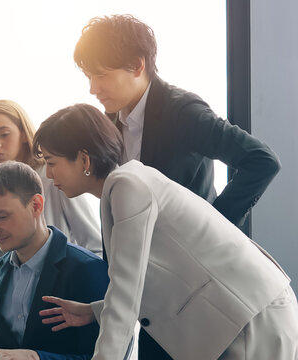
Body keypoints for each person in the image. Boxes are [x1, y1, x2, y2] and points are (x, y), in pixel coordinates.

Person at [73, 15, 281, 358]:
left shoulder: (182, 111)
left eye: (101, 75)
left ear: (137, 65)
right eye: (88, 77)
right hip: (156, 294)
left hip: (205, 293)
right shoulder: (110, 125)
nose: (93, 88)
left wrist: (215, 227)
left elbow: (261, 161)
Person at [33, 104, 297, 360]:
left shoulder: (127, 186)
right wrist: (94, 311)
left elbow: (126, 291)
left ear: (83, 159)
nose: (48, 173)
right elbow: (146, 280)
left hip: (250, 318)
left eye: (52, 162)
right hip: (238, 318)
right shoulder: (125, 186)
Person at [0, 161, 109, 360]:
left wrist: (35, 357)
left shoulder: (86, 269)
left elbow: (106, 356)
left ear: (36, 206)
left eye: (2, 216)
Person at [0, 99, 102, 309]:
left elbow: (95, 247)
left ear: (23, 133)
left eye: (4, 134)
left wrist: (81, 300)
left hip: (59, 303)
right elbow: (8, 266)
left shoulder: (53, 178)